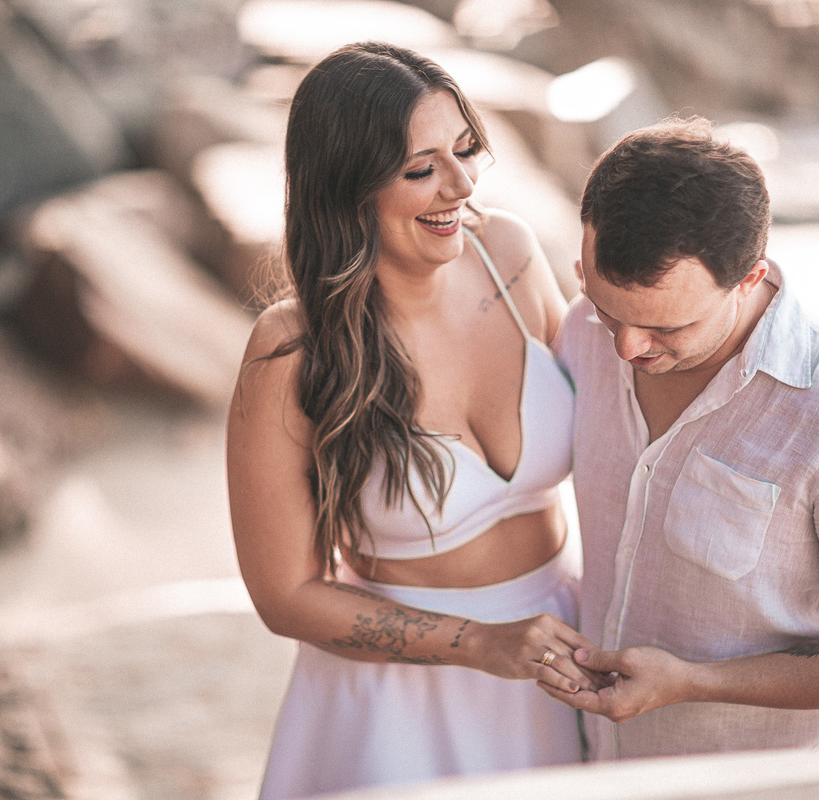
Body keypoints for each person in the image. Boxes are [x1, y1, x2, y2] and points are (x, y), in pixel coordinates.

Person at [225, 42, 593, 798]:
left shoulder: (509, 253)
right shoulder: (292, 351)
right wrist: (478, 644)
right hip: (400, 706)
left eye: (464, 150)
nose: (461, 185)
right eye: (421, 169)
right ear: (348, 188)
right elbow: (284, 595)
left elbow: (625, 428)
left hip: (561, 654)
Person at [543, 115, 819, 759]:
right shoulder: (583, 330)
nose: (626, 347)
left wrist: (692, 683)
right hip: (598, 765)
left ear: (750, 278)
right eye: (607, 309)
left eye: (666, 329)